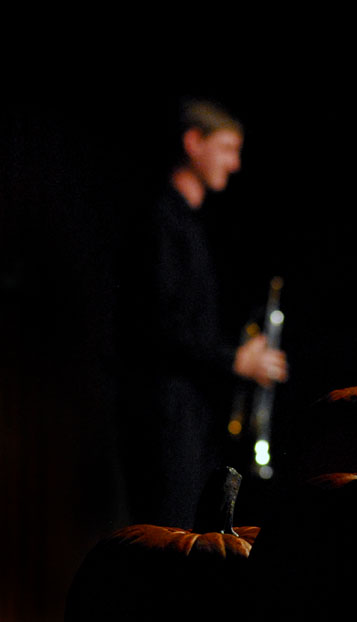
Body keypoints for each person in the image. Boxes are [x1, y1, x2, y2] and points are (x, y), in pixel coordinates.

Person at [115, 98, 288, 528]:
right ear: (194, 142)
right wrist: (235, 359)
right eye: (228, 148)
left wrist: (240, 348)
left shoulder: (189, 224)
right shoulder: (161, 220)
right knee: (167, 531)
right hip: (163, 415)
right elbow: (155, 326)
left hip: (187, 413)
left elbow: (188, 319)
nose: (235, 164)